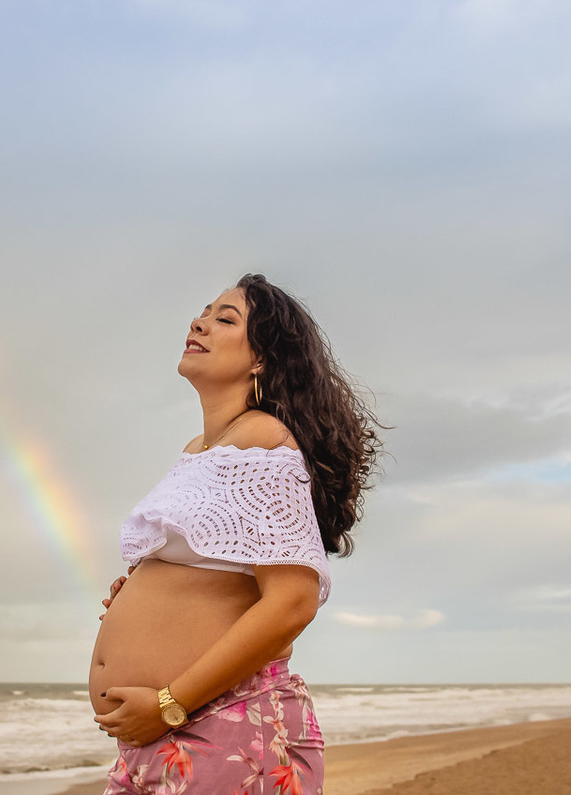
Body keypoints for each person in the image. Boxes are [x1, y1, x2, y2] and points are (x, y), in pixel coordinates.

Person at [89, 273, 381, 795]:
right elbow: (218, 569)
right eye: (203, 312)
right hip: (166, 736)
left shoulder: (263, 440)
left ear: (262, 360)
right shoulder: (200, 448)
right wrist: (142, 593)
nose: (199, 322)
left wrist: (168, 703)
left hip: (223, 723)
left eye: (226, 319)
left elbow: (293, 600)